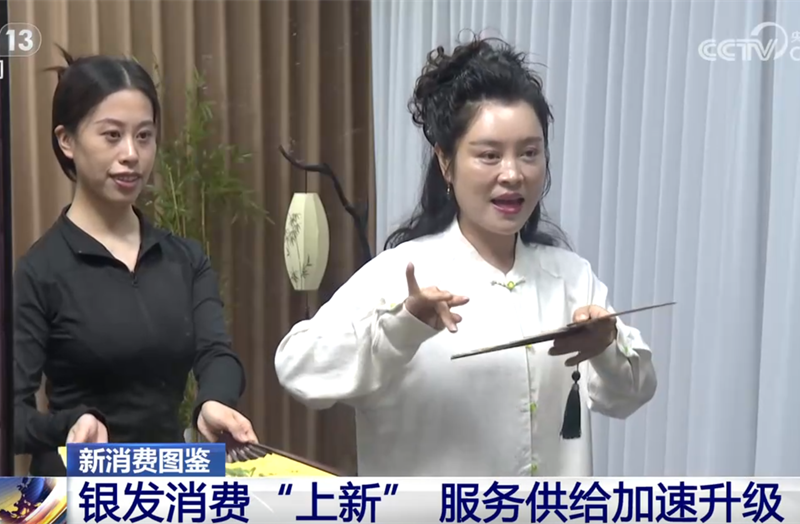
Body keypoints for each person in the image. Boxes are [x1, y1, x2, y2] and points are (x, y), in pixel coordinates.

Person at [274, 37, 657, 476]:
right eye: (489, 155)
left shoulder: (571, 277)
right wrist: (402, 327)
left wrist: (607, 346)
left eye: (529, 153)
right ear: (446, 162)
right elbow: (298, 367)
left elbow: (632, 393)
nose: (512, 174)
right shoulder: (400, 273)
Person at [13, 48, 257, 475]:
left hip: (168, 483)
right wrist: (69, 425)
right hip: (77, 492)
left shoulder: (185, 259)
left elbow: (216, 353)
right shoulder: (40, 271)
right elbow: (10, 415)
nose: (131, 154)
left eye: (144, 136)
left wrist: (214, 401)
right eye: (112, 135)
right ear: (66, 141)